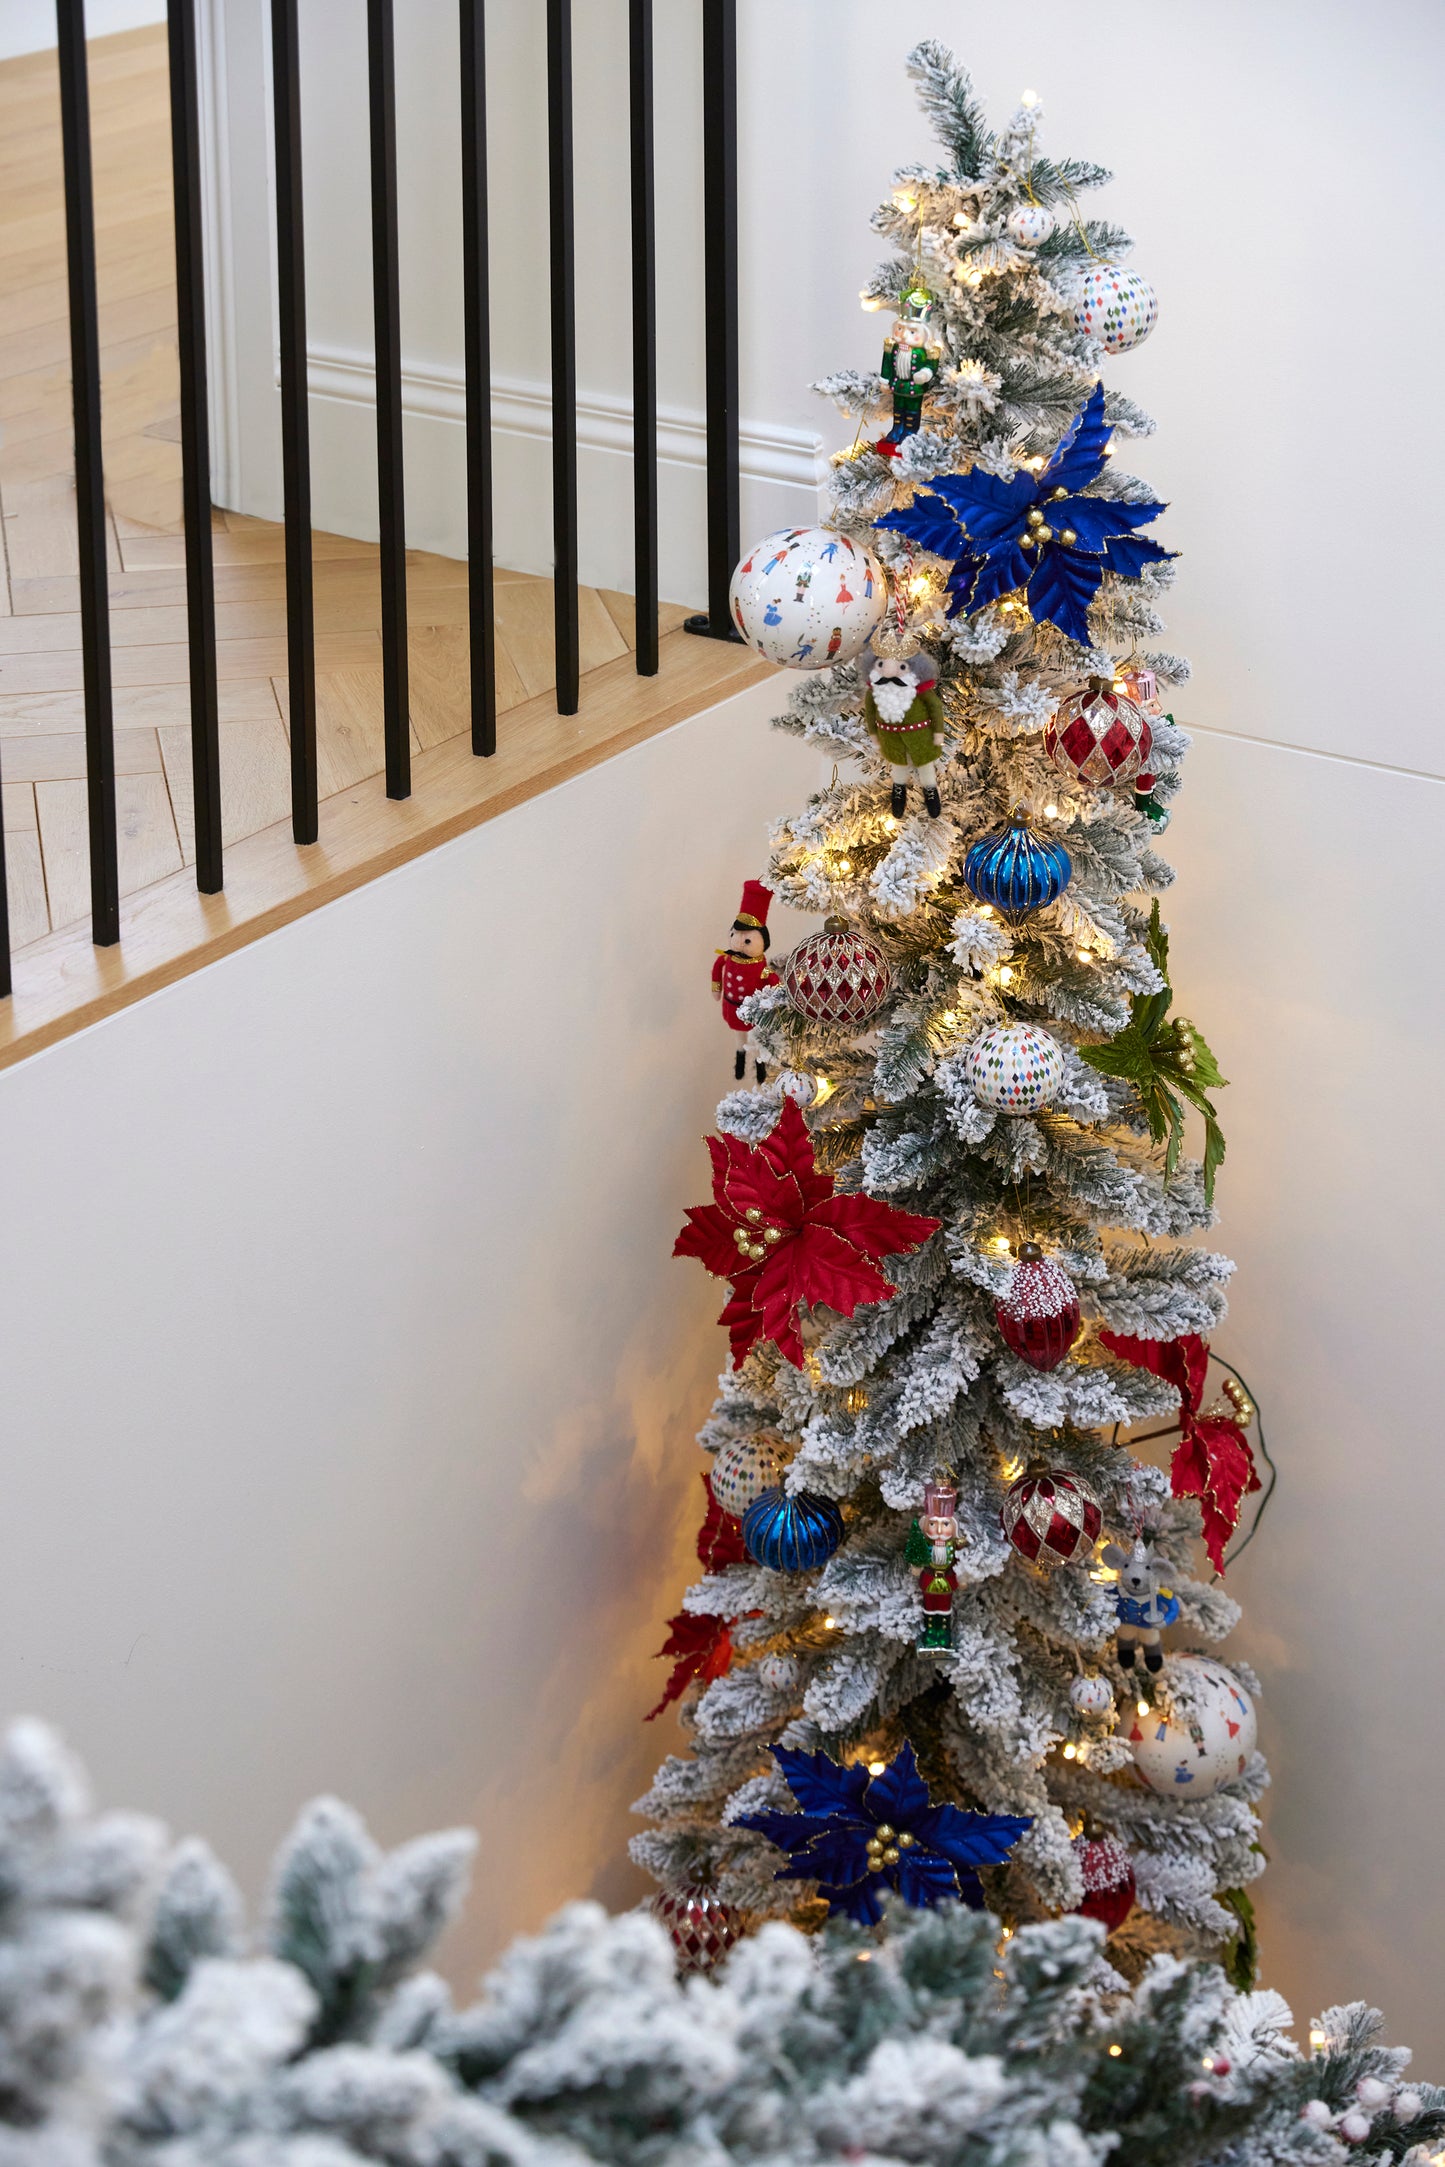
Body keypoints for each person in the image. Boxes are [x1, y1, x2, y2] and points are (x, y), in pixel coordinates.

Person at [711, 880, 780, 1083]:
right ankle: (739, 1060)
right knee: (738, 1038)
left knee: (756, 1039)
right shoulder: (727, 957)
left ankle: (760, 1067)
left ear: (762, 942)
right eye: (734, 935)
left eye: (747, 940)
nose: (739, 943)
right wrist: (717, 988)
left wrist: (777, 996)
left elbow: (772, 978)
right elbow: (717, 969)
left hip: (753, 1011)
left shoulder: (761, 966)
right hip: (732, 1006)